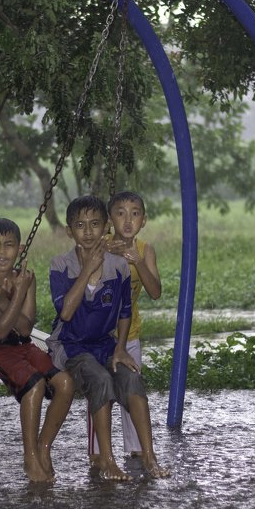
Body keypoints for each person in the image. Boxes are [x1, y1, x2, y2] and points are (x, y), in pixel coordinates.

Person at [47, 194, 169, 480]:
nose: (88, 232)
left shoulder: (120, 265)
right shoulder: (60, 265)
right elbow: (65, 313)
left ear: (104, 228)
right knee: (100, 380)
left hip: (106, 344)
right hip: (71, 345)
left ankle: (150, 457)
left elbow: (125, 310)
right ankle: (106, 459)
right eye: (80, 225)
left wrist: (120, 348)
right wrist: (88, 267)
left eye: (94, 225)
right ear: (69, 231)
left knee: (131, 376)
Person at [0, 218, 74, 483]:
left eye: (8, 245)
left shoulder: (25, 278)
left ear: (20, 248)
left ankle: (43, 447)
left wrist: (8, 297)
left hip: (22, 347)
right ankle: (29, 458)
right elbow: (0, 331)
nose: (1, 252)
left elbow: (25, 329)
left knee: (65, 383)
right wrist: (14, 296)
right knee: (35, 385)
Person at [84, 191, 161, 463]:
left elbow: (155, 292)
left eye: (135, 213)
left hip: (130, 334)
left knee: (132, 388)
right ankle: (97, 451)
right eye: (120, 213)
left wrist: (137, 261)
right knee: (100, 390)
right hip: (100, 334)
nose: (128, 220)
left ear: (144, 220)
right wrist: (106, 254)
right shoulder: (100, 245)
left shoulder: (144, 251)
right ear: (110, 220)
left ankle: (137, 446)